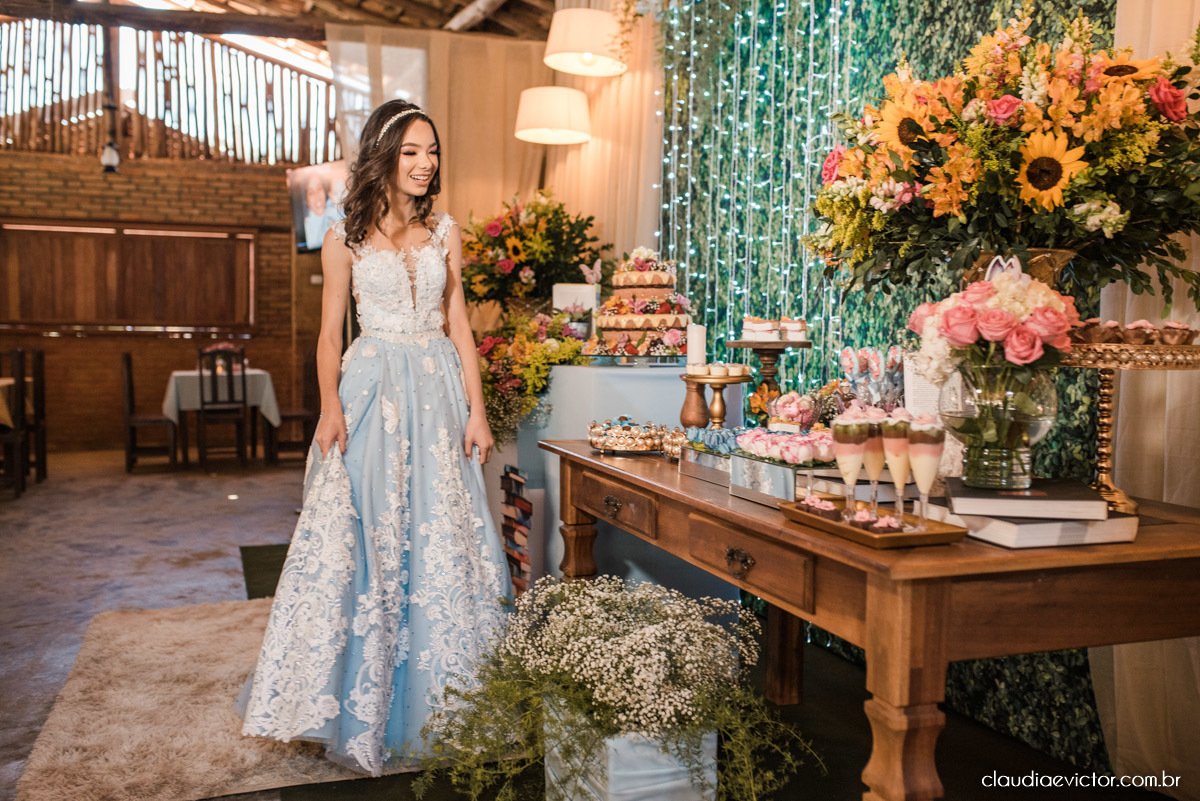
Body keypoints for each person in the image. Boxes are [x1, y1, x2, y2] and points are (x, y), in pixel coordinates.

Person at [235, 100, 511, 776]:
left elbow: (460, 327)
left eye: (433, 152)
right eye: (412, 152)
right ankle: (345, 697)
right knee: (366, 535)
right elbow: (331, 336)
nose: (425, 165)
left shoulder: (447, 231)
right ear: (383, 157)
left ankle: (445, 694)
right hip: (371, 393)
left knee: (439, 533)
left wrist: (477, 412)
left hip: (438, 392)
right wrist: (329, 408)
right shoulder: (342, 237)